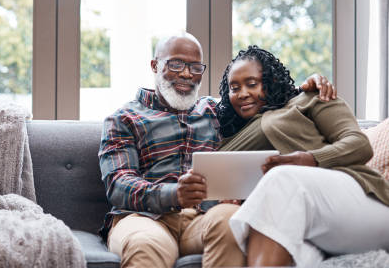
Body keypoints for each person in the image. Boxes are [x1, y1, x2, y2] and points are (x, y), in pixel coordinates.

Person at [98, 34, 335, 268]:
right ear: (155, 65)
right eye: (176, 64)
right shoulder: (123, 118)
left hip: (204, 218)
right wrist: (174, 194)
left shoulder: (217, 110)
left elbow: (267, 102)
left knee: (232, 221)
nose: (186, 74)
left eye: (195, 67)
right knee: (146, 244)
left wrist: (308, 88)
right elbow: (119, 184)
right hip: (144, 219)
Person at [217, 45, 389, 267]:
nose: (242, 93)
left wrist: (311, 159)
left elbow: (359, 145)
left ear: (271, 81)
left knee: (281, 178)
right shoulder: (232, 134)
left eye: (252, 84)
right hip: (306, 224)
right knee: (254, 222)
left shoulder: (310, 98)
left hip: (362, 203)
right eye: (234, 88)